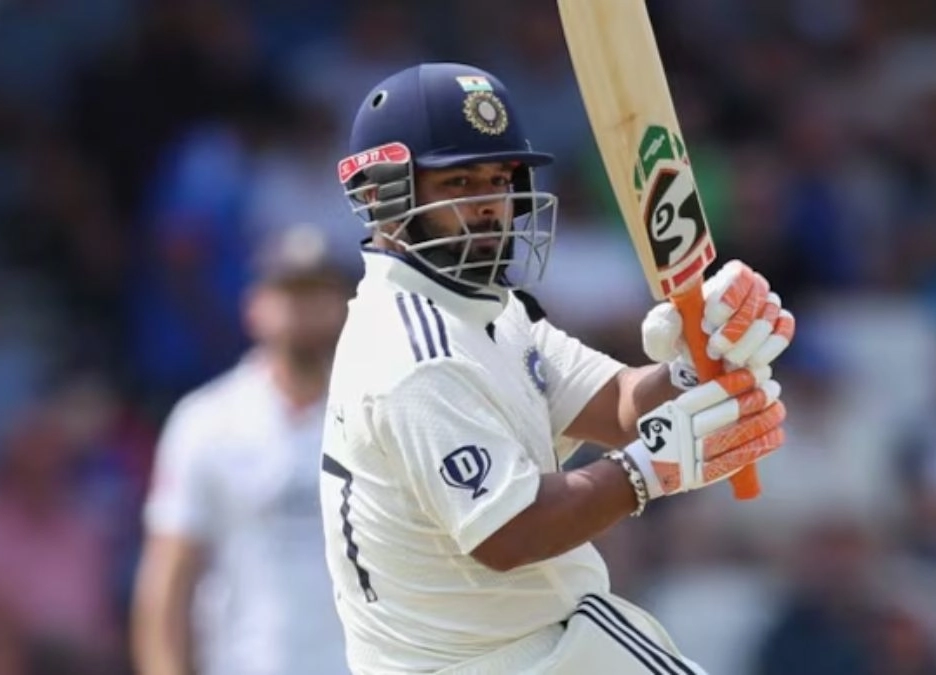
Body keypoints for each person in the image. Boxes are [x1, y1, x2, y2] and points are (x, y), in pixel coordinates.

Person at [319, 62, 796, 674]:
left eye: (499, 179)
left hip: (530, 648)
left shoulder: (485, 309)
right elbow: (510, 533)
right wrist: (653, 466)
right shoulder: (416, 351)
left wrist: (693, 365)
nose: (489, 205)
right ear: (381, 195)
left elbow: (615, 406)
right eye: (459, 182)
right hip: (497, 660)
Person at [132, 223, 355, 675]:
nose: (302, 309)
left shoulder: (377, 414)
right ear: (254, 307)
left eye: (317, 292)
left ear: (344, 305)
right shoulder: (206, 421)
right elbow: (168, 578)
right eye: (289, 292)